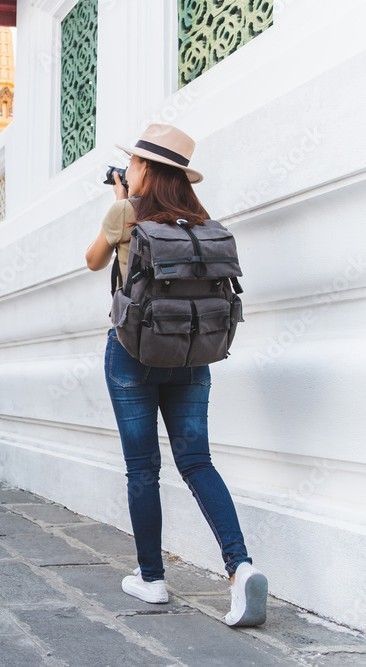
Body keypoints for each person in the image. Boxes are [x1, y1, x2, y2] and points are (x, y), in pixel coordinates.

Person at [84, 124, 268, 627]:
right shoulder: (202, 222)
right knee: (198, 462)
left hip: (132, 354)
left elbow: (92, 261)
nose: (131, 170)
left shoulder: (125, 213)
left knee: (143, 468)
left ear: (145, 169)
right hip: (192, 355)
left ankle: (152, 578)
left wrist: (123, 203)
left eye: (135, 164)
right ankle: (240, 566)